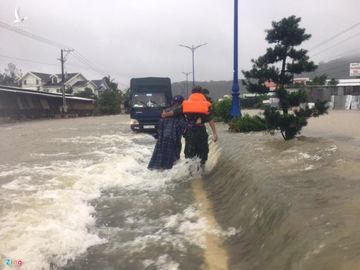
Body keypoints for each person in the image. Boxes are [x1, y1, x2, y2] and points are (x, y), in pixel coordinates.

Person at [162, 86, 218, 166]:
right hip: (201, 131)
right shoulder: (206, 105)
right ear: (201, 93)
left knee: (189, 154)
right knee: (202, 153)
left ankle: (191, 174)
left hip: (190, 132)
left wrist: (165, 114)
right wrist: (214, 134)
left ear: (192, 93)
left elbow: (175, 112)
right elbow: (210, 120)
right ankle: (201, 172)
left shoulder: (186, 104)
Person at [148, 95, 186, 170]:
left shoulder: (166, 110)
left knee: (160, 154)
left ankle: (158, 168)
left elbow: (159, 127)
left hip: (162, 139)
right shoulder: (181, 109)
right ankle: (169, 170)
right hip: (172, 138)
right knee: (173, 157)